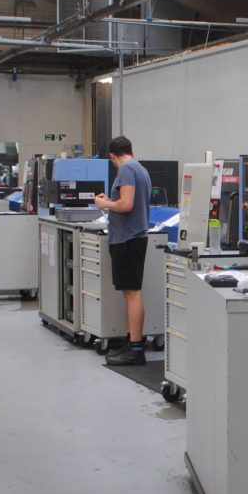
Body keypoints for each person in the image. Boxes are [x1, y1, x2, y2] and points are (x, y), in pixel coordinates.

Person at [93, 136, 151, 366]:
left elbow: (126, 205)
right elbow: (129, 202)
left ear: (112, 156)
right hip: (134, 237)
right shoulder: (140, 169)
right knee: (131, 292)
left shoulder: (126, 170)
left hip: (128, 239)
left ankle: (136, 349)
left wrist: (105, 204)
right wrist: (111, 200)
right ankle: (132, 342)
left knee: (132, 293)